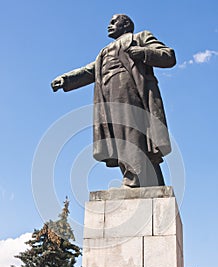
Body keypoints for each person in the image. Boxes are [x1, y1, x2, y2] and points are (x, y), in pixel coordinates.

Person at [51, 14, 176, 188]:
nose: (108, 26)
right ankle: (150, 180)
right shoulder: (104, 51)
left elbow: (168, 56)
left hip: (132, 92)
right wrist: (66, 79)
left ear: (125, 25)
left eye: (113, 22)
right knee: (119, 137)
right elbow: (90, 71)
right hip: (109, 97)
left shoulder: (140, 37)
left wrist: (144, 52)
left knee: (132, 134)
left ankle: (134, 179)